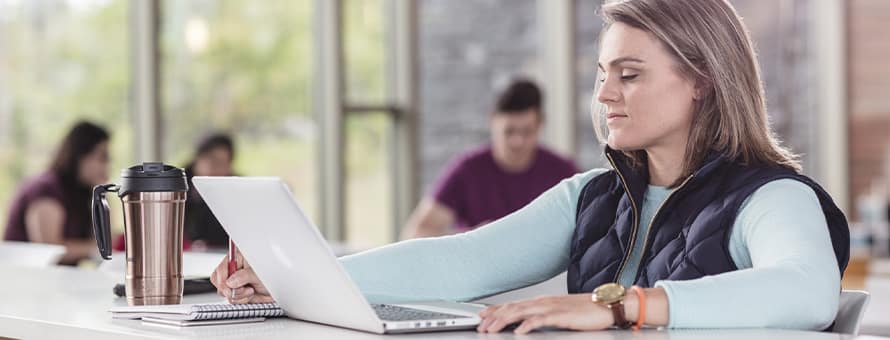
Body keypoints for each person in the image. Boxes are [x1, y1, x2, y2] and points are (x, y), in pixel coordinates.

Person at [211, 0, 850, 334]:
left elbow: (808, 291)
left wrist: (620, 306)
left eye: (629, 75)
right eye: (602, 75)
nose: (604, 96)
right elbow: (457, 261)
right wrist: (300, 280)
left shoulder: (770, 196)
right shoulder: (591, 198)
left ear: (704, 81)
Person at [401, 79, 578, 239]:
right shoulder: (468, 170)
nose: (517, 142)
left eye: (527, 132)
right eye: (509, 131)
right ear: (493, 121)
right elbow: (416, 232)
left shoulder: (562, 172)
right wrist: (474, 236)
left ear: (540, 125)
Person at [3, 121, 111, 265]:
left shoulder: (82, 194)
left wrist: (103, 195)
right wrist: (96, 248)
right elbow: (49, 249)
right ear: (80, 156)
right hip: (23, 278)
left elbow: (106, 239)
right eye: (102, 157)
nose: (107, 165)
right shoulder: (45, 189)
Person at [183, 133, 236, 250]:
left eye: (222, 163)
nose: (214, 167)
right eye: (211, 159)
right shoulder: (178, 185)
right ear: (198, 158)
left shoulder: (234, 191)